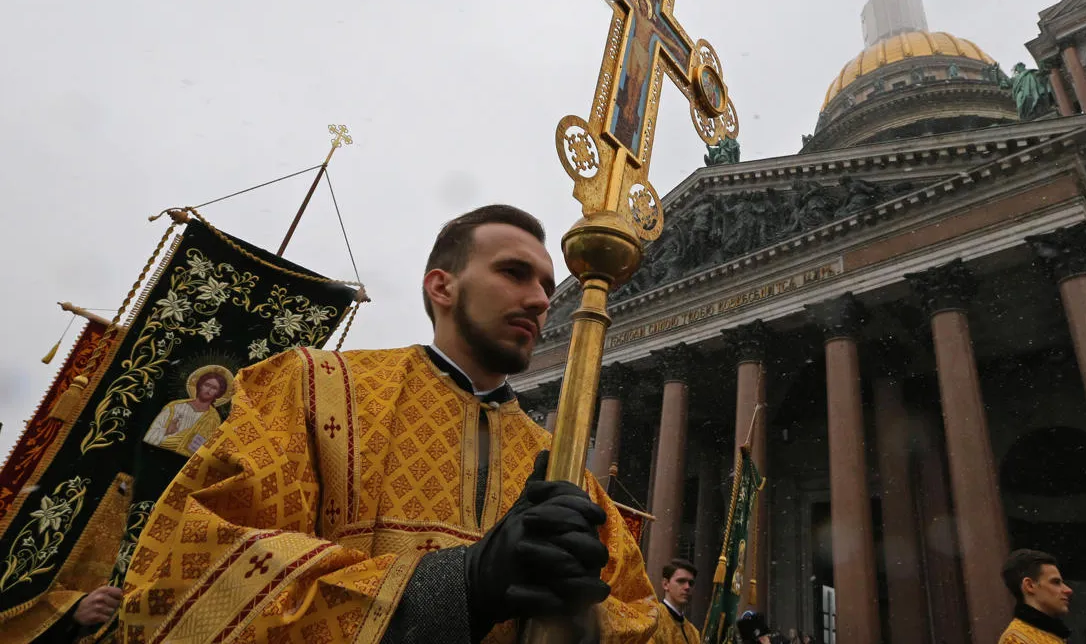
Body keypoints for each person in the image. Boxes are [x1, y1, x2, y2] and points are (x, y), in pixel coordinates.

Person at [119, 205, 658, 643]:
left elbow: (643, 615)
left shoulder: (566, 471)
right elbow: (190, 573)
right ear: (441, 287)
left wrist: (583, 623)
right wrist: (459, 588)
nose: (541, 300)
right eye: (513, 273)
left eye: (546, 284)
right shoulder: (313, 388)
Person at [998, 549, 1074, 643]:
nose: (1068, 590)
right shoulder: (1014, 639)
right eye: (1056, 582)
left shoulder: (1056, 635)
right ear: (1029, 585)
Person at [652, 559, 699, 643]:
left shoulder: (694, 632)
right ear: (665, 584)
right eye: (681, 581)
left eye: (691, 583)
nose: (687, 587)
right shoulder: (652, 620)